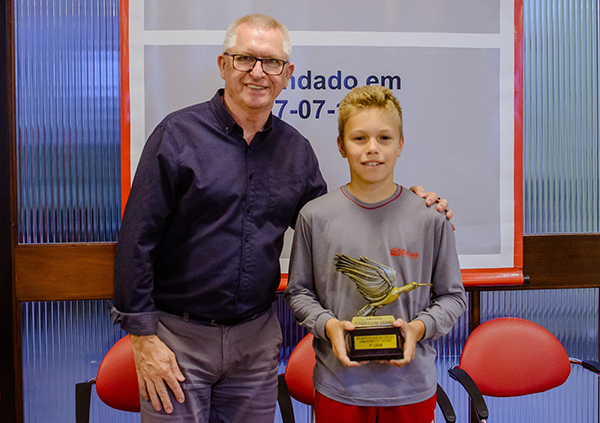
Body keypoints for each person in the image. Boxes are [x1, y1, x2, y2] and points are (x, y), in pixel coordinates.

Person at [111, 14, 452, 423]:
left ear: (287, 74)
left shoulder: (296, 152)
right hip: (177, 339)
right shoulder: (176, 136)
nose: (258, 72)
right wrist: (143, 339)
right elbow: (136, 241)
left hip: (255, 344)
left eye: (271, 62)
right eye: (245, 59)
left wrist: (408, 203)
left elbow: (336, 224)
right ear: (223, 65)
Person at [284, 85, 466, 423]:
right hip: (339, 387)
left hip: (412, 388)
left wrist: (418, 329)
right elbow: (299, 293)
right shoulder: (314, 217)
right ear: (341, 145)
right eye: (359, 138)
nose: (372, 149)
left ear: (400, 144)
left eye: (384, 138)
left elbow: (453, 298)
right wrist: (329, 326)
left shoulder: (430, 218)